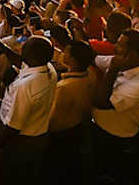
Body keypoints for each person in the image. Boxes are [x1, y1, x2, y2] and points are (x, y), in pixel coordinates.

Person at [0, 36, 57, 184]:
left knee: (14, 177)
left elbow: (14, 126)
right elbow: (23, 62)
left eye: (23, 47)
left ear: (27, 55)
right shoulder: (49, 69)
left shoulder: (24, 86)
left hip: (22, 143)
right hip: (40, 134)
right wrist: (3, 48)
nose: (20, 48)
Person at [92, 29, 139, 184]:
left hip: (115, 140)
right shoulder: (123, 62)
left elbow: (101, 103)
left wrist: (113, 69)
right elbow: (94, 58)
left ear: (133, 54)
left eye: (120, 45)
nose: (115, 47)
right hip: (101, 130)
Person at [48, 40, 96, 182]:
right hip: (80, 124)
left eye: (66, 52)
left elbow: (54, 119)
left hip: (63, 134)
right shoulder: (91, 74)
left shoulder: (64, 87)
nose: (63, 54)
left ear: (73, 60)